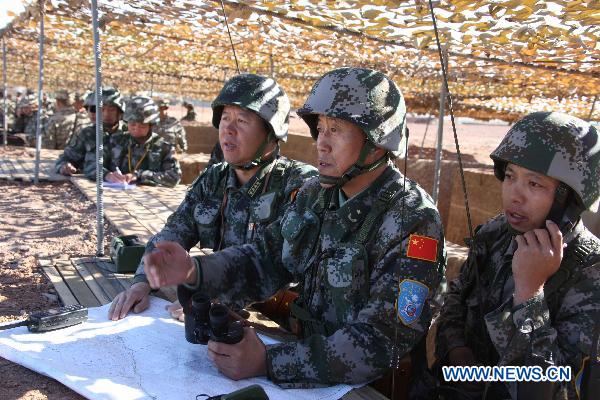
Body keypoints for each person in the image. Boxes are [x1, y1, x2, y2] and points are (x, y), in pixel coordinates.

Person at [142, 67, 445, 387]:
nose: (322, 144)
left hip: (372, 387)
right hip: (307, 365)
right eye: (322, 129)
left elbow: (381, 341)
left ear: (378, 142)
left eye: (337, 130)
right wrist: (194, 271)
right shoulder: (317, 195)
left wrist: (270, 362)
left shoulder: (414, 220)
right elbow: (265, 257)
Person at [108, 73, 317, 320]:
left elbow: (279, 265)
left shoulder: (298, 184)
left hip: (278, 317)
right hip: (219, 302)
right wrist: (143, 281)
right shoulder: (214, 178)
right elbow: (173, 232)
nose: (228, 129)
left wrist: (216, 294)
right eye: (225, 118)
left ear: (271, 132)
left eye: (242, 120)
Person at [434, 112, 600, 399]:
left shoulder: (592, 273)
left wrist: (529, 293)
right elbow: (456, 298)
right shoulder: (495, 234)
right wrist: (456, 350)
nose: (514, 195)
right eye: (510, 176)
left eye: (534, 184)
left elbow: (556, 389)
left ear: (568, 198)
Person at [105, 96, 181, 187]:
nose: (136, 128)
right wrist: (107, 175)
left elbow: (174, 177)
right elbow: (92, 164)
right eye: (132, 123)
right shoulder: (115, 140)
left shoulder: (164, 147)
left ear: (151, 125)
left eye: (142, 125)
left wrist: (140, 175)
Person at [54, 87, 125, 177]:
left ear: (119, 112)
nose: (107, 114)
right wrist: (65, 166)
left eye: (111, 110)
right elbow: (65, 158)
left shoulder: (128, 133)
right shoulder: (87, 134)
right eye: (102, 109)